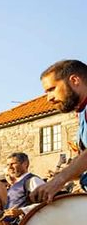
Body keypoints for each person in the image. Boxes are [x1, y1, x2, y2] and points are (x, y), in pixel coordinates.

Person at [33, 60, 87, 203]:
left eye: (52, 89)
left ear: (75, 80)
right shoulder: (81, 112)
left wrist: (59, 180)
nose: (48, 98)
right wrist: (59, 176)